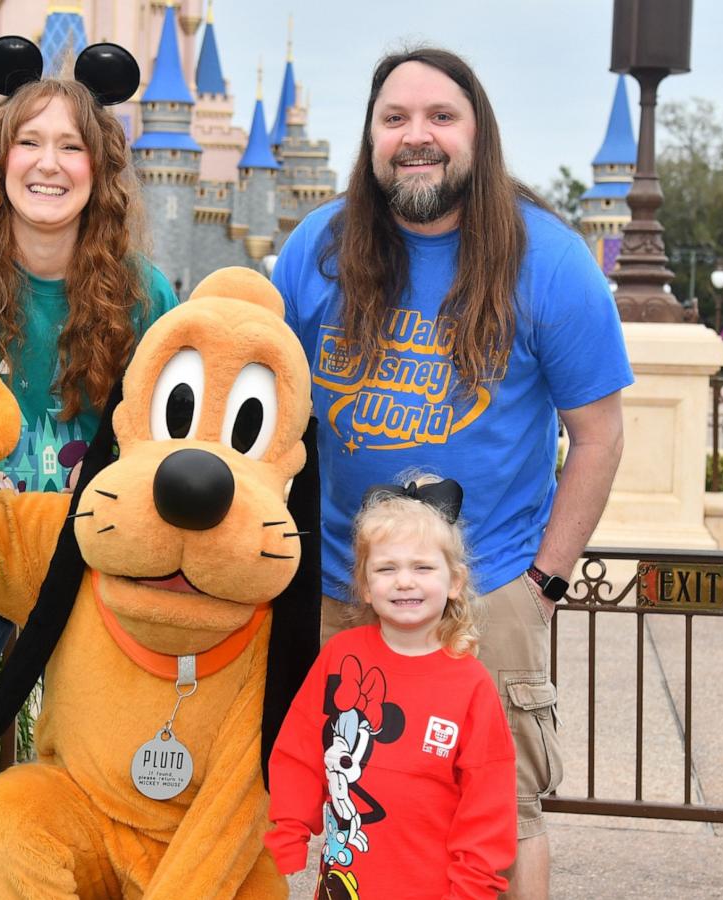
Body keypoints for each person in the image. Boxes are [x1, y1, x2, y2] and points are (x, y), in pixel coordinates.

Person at [273, 47, 630, 898]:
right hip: (336, 591)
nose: (416, 136)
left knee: (504, 814)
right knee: (347, 800)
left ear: (478, 134)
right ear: (368, 138)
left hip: (485, 592)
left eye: (440, 117)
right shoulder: (316, 251)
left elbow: (599, 435)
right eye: (394, 119)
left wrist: (541, 579)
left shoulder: (548, 259)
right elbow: (267, 403)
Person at [0, 75, 178, 741]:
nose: (49, 163)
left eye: (71, 145)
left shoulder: (146, 296)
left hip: (91, 568)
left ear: (101, 168)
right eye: (29, 141)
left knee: (93, 754)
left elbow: (168, 444)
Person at [266, 476, 516, 898]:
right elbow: (299, 748)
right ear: (364, 586)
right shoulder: (341, 656)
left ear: (454, 582)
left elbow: (488, 805)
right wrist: (289, 828)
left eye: (422, 567)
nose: (404, 581)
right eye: (386, 568)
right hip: (345, 883)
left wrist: (471, 889)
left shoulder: (470, 684)